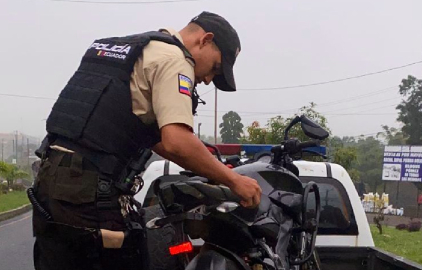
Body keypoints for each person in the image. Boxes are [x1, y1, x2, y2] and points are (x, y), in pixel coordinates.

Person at [31, 11, 262, 270]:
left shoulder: (127, 49)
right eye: (215, 68)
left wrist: (209, 167)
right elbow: (176, 140)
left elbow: (151, 139)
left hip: (49, 188)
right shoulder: (175, 59)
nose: (208, 79)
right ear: (204, 40)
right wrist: (234, 180)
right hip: (91, 198)